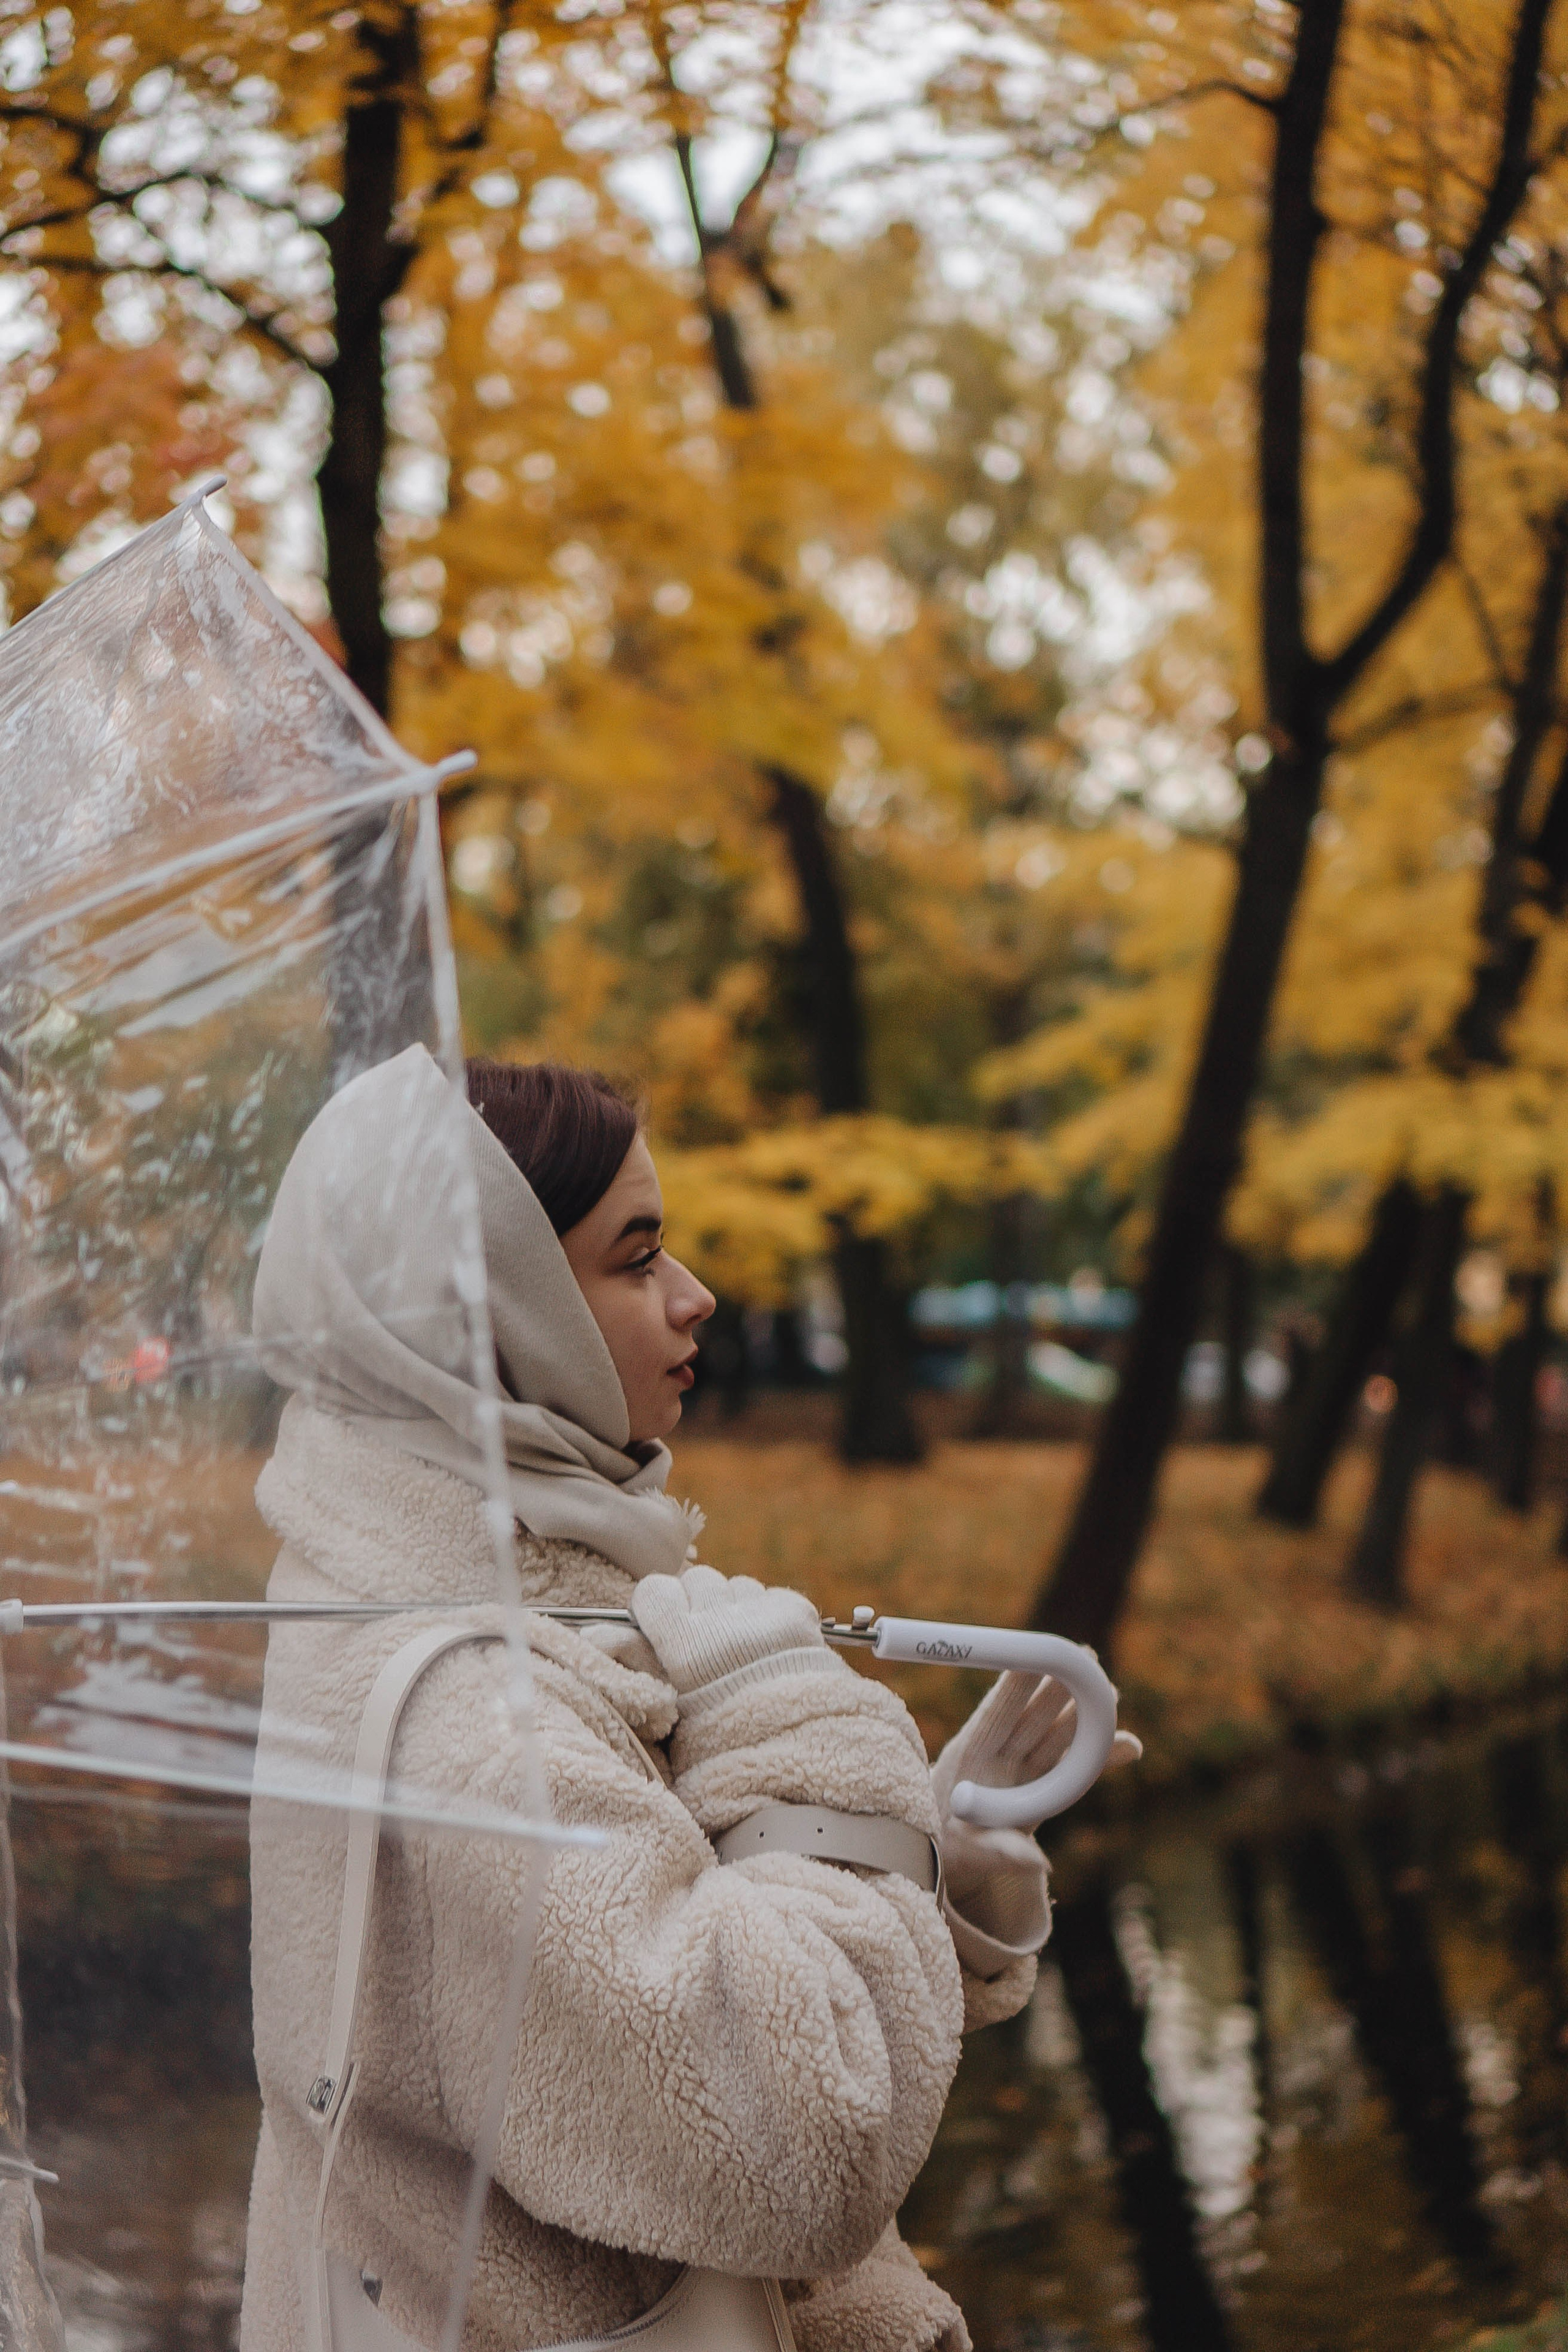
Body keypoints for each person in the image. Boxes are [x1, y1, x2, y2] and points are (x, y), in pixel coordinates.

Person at [240, 1046, 1127, 2352]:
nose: (697, 1296)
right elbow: (802, 2137)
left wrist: (915, 1867)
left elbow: (600, 2030)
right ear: (497, 1307)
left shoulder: (463, 1594)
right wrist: (800, 1733)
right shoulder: (478, 1711)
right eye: (636, 1255)